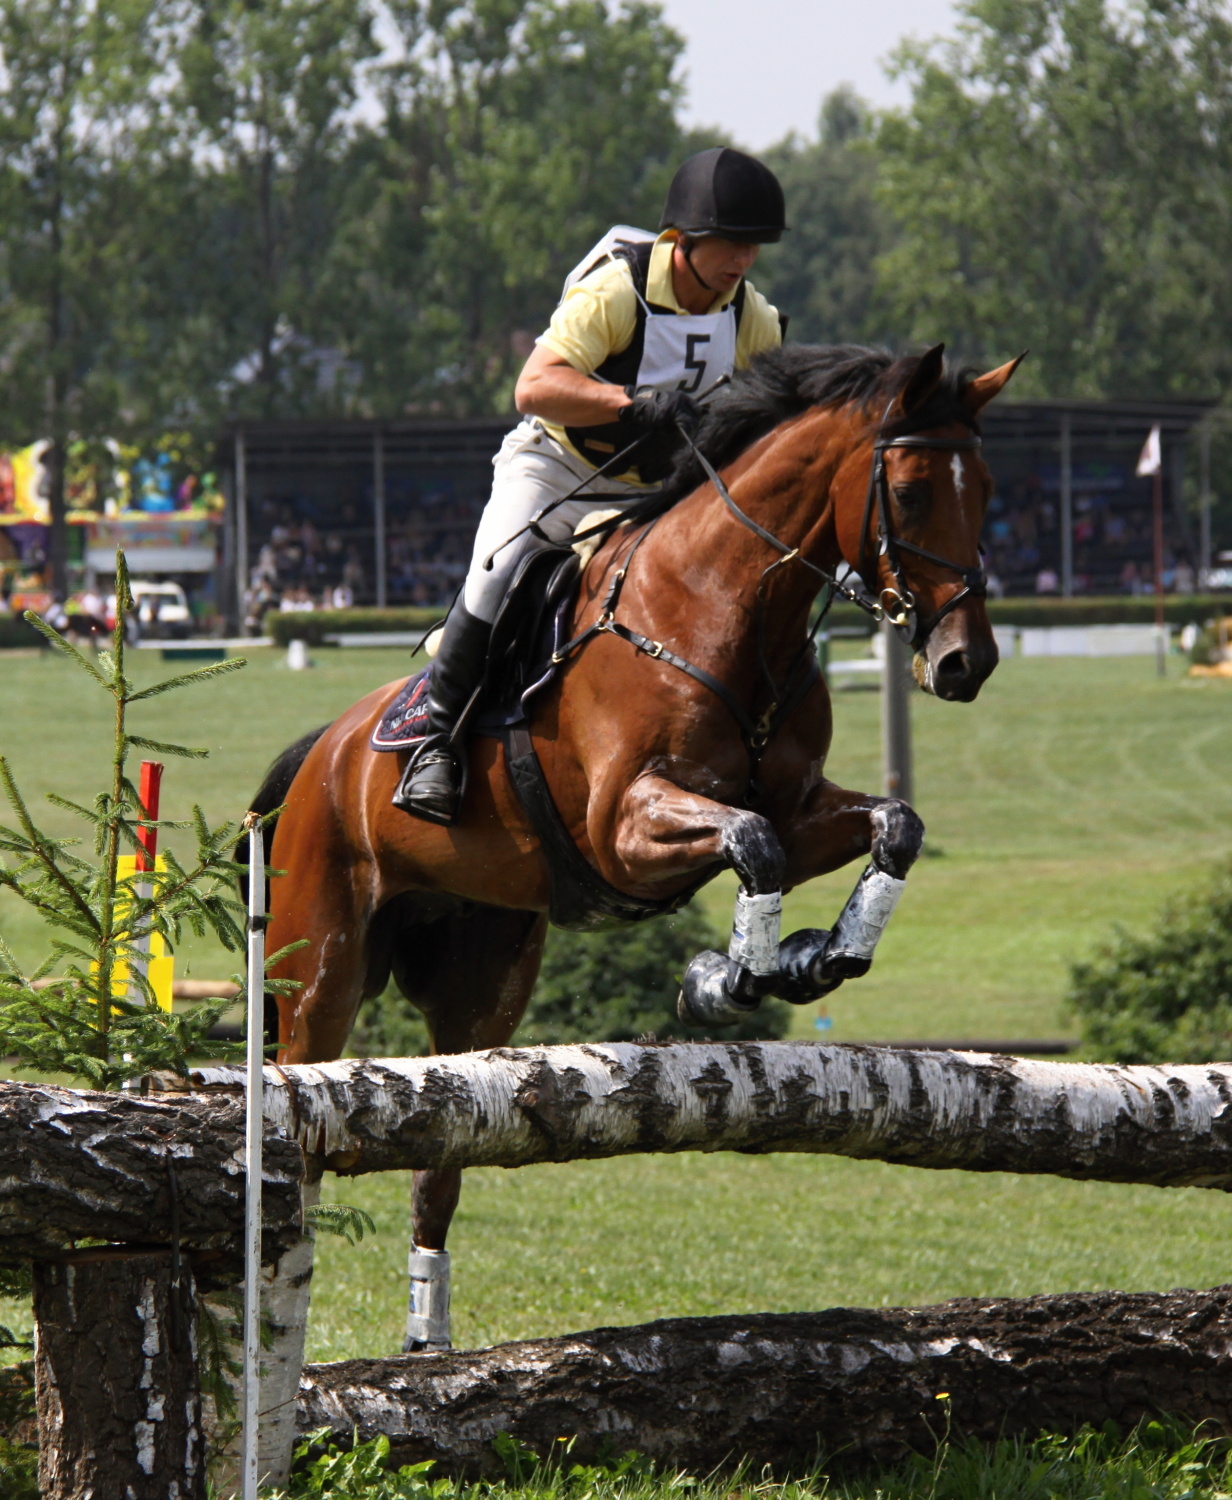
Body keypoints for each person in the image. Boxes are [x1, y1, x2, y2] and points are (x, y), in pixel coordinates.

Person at [394, 146, 788, 824]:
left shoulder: (752, 318)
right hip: (561, 467)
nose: (741, 262)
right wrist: (630, 404)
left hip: (660, 491)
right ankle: (438, 742)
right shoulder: (617, 290)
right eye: (729, 244)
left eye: (752, 247)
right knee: (493, 573)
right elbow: (534, 387)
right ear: (681, 241)